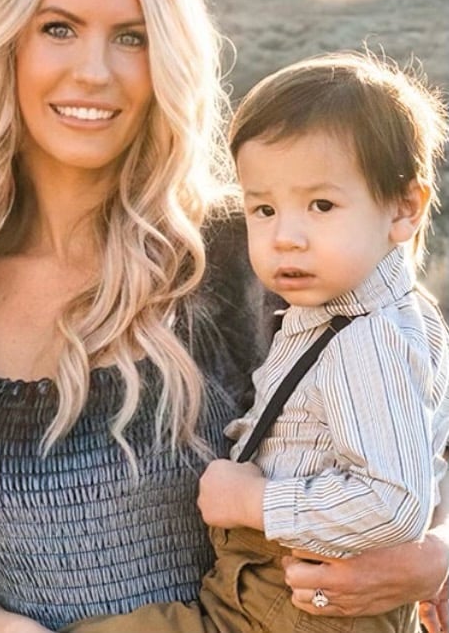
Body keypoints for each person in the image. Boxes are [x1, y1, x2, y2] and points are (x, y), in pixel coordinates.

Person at [0, 0, 449, 633]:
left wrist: (436, 553)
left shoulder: (252, 256)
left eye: (131, 37)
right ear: (6, 44)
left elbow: (414, 436)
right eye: (58, 29)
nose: (93, 71)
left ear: (169, 57)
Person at [58, 50, 449, 633]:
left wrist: (253, 504)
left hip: (292, 599)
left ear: (404, 208)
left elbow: (394, 503)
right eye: (263, 208)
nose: (285, 237)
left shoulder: (367, 342)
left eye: (321, 205)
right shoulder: (384, 314)